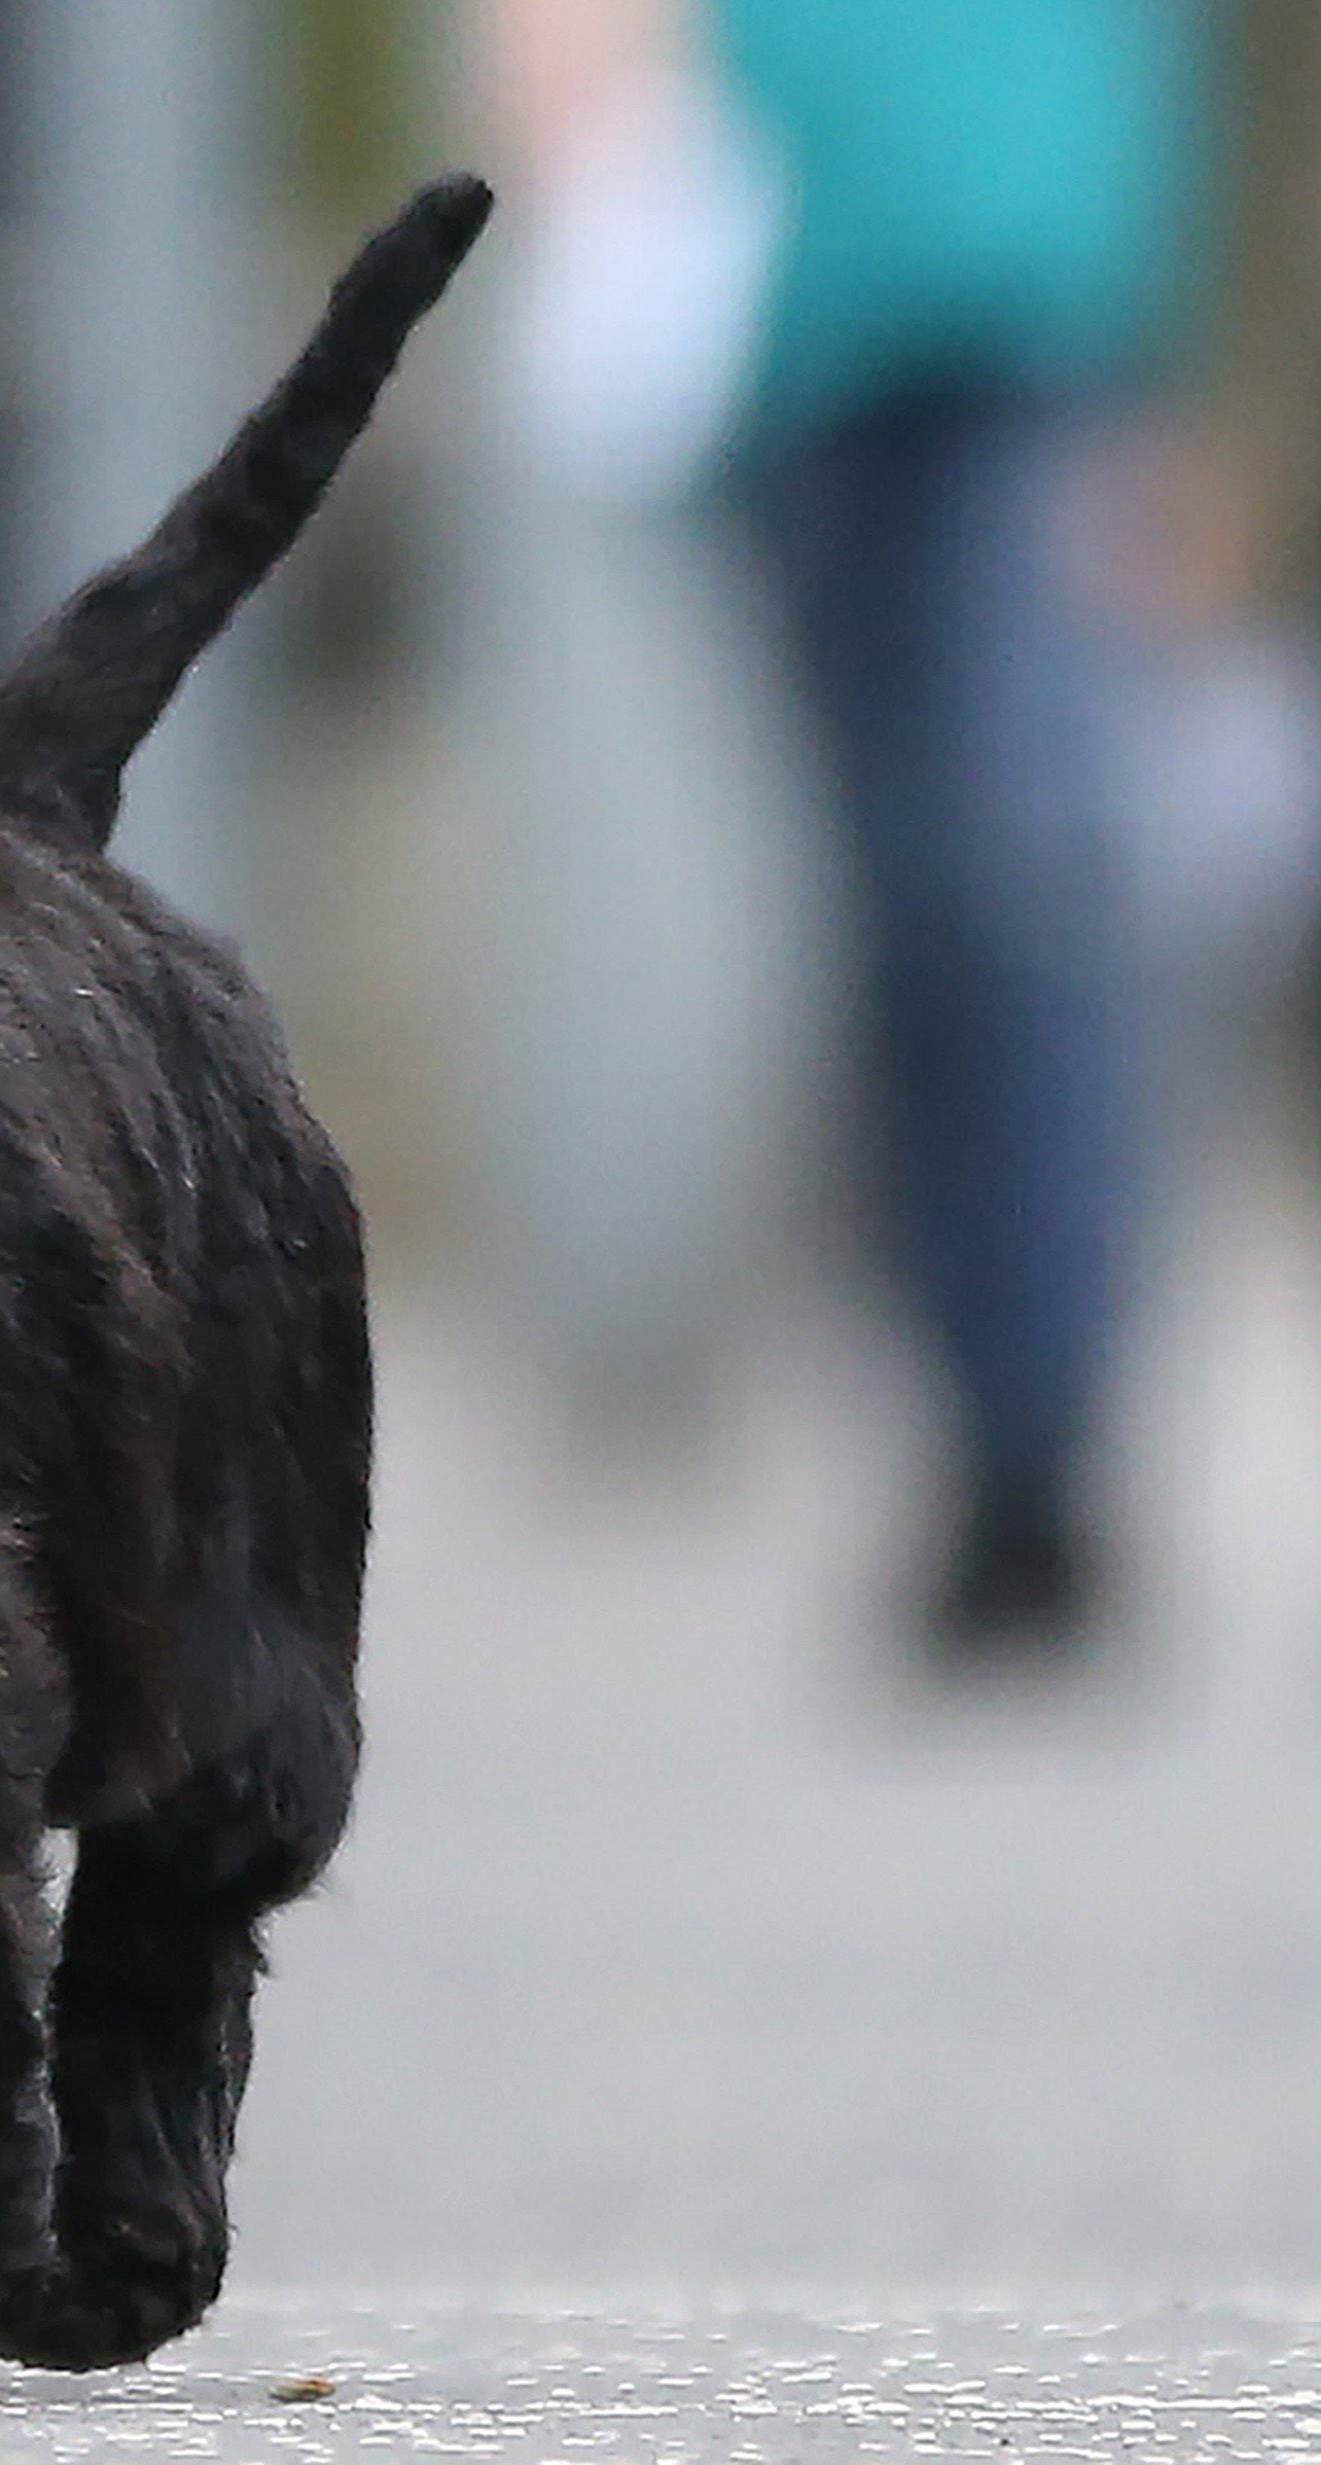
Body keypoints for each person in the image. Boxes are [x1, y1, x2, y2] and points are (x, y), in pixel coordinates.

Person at [713, 0, 1218, 1658]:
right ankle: (966, 1434)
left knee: (1018, 877)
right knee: (901, 925)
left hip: (1027, 325)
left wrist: (1168, 381)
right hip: (770, 324)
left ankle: (1044, 1444)